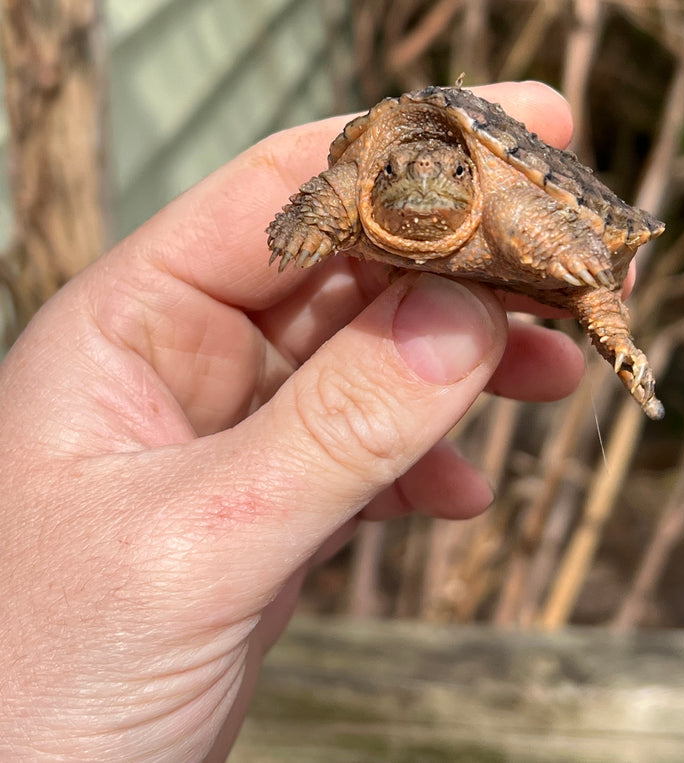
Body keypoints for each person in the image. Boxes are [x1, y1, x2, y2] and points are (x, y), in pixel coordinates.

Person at [0, 81, 587, 761]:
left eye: (455, 173)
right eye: (393, 169)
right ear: (375, 176)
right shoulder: (350, 187)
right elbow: (333, 187)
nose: (423, 182)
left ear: (471, 174)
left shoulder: (500, 193)